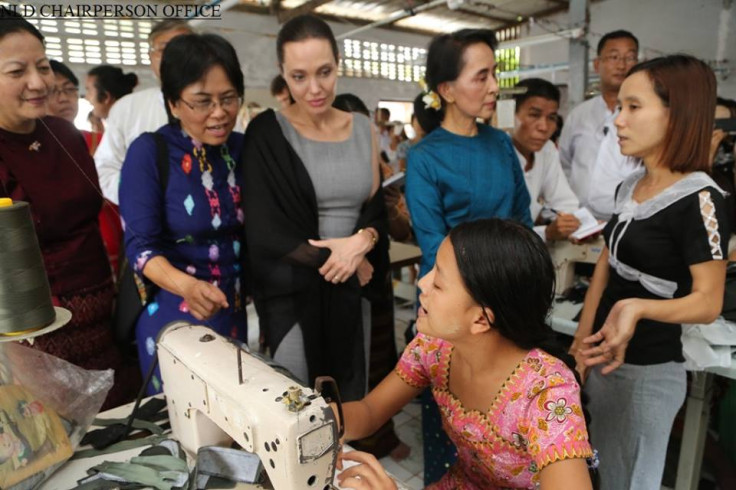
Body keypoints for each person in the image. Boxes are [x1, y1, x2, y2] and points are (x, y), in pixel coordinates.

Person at [336, 219, 594, 490]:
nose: (422, 283)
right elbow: (370, 410)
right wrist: (324, 419)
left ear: (481, 320)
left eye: (438, 283)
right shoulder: (435, 348)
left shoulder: (545, 394)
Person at [572, 55, 729, 490]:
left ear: (676, 114)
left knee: (633, 479)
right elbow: (606, 262)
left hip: (648, 372)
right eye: (619, 107)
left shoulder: (701, 200)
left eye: (633, 107)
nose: (618, 120)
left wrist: (636, 307)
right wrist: (580, 343)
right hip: (604, 358)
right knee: (604, 469)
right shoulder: (631, 186)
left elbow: (708, 301)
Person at [405, 28, 532, 485]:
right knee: (451, 438)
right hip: (451, 312)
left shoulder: (500, 144)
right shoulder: (424, 157)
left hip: (506, 310)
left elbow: (523, 219)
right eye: (481, 77)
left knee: (509, 438)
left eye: (494, 73)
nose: (495, 86)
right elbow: (433, 240)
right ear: (447, 90)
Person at [243, 15, 387, 402]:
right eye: (299, 76)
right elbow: (264, 229)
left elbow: (375, 211)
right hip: (294, 293)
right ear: (282, 73)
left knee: (349, 404)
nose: (315, 88)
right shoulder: (267, 133)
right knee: (297, 406)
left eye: (325, 72)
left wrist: (363, 242)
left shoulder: (363, 129)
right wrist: (345, 256)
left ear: (339, 63)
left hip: (351, 295)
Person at [0, 7, 135, 409]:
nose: (38, 82)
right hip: (33, 342)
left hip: (103, 321)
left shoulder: (64, 135)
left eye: (42, 66)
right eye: (17, 72)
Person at [119, 33, 247, 395]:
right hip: (176, 316)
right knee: (185, 428)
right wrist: (188, 286)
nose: (219, 113)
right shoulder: (149, 153)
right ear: (174, 104)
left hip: (234, 313)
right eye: (202, 102)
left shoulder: (241, 149)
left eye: (228, 99)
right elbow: (141, 249)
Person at [94, 20, 192, 205]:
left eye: (185, 49)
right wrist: (141, 196)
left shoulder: (218, 107)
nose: (175, 57)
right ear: (151, 57)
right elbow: (105, 167)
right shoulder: (127, 108)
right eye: (165, 49)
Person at [559, 30, 639, 211]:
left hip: (627, 219)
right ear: (597, 64)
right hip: (580, 220)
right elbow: (564, 165)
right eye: (614, 57)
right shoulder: (579, 115)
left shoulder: (644, 116)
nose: (622, 65)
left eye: (630, 57)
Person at [511, 78, 580, 241]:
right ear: (511, 114)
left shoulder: (547, 150)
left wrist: (572, 221)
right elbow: (502, 230)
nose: (543, 127)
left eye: (551, 118)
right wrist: (547, 233)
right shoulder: (497, 152)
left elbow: (564, 202)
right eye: (534, 115)